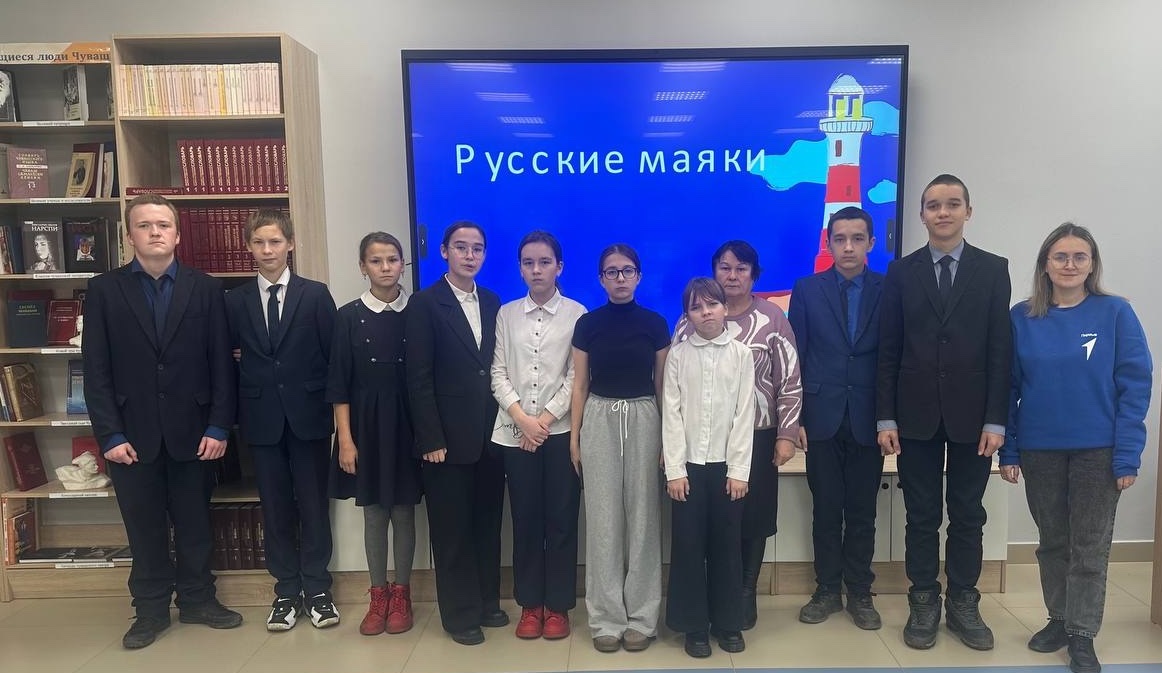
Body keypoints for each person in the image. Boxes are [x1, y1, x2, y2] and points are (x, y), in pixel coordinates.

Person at [82, 193, 240, 649]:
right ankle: (149, 612)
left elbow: (221, 364)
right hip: (130, 436)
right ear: (129, 235)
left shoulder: (206, 289)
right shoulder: (104, 290)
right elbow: (96, 369)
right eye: (145, 225)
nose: (155, 232)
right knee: (144, 528)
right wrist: (109, 434)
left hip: (195, 432)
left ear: (177, 234)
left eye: (163, 225)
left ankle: (198, 600)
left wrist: (218, 425)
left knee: (194, 525)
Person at [1000, 223, 1152, 673]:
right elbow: (1007, 388)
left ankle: (1082, 634)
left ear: (1092, 264)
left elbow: (1135, 386)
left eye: (1079, 257)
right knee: (1052, 542)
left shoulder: (1115, 313)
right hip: (1040, 449)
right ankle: (1059, 619)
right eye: (1060, 256)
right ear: (1045, 264)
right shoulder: (1021, 317)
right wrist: (1010, 450)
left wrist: (1127, 454)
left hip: (1098, 451)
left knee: (1089, 546)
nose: (1069, 264)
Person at [876, 173, 1012, 651]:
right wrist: (886, 417)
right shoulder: (901, 272)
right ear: (922, 214)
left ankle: (963, 602)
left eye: (953, 204)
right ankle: (923, 600)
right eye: (934, 205)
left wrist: (997, 418)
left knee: (968, 514)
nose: (943, 212)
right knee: (921, 515)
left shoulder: (993, 269)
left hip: (974, 418)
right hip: (914, 417)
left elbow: (1001, 349)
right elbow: (888, 349)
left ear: (968, 211)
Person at [673, 240, 802, 630]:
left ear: (753, 275)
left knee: (753, 518)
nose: (732, 276)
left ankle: (744, 592)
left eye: (741, 268)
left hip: (757, 437)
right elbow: (672, 388)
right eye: (725, 268)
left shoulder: (772, 318)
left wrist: (787, 434)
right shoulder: (688, 323)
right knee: (710, 522)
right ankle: (709, 599)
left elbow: (790, 380)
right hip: (700, 444)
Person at [225, 208, 338, 632]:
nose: (268, 249)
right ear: (248, 247)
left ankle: (319, 590)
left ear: (290, 244)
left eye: (275, 241)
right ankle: (286, 592)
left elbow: (332, 358)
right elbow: (225, 357)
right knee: (274, 508)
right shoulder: (234, 301)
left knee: (313, 506)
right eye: (259, 242)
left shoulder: (315, 295)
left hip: (309, 417)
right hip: (261, 419)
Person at [406, 221, 505, 646]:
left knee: (487, 525)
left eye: (477, 248)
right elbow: (417, 377)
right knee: (452, 532)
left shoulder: (493, 301)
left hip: (489, 437)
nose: (470, 255)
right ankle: (460, 615)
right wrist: (430, 438)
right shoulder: (425, 303)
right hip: (444, 442)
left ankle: (486, 602)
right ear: (444, 251)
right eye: (461, 247)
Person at [788, 206, 885, 629]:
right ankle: (827, 589)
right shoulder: (807, 289)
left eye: (857, 239)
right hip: (821, 416)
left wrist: (890, 418)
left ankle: (860, 592)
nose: (848, 247)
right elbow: (796, 356)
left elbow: (893, 356)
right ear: (828, 243)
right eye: (840, 239)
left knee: (863, 512)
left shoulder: (889, 289)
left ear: (871, 243)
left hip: (869, 418)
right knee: (826, 510)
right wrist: (796, 418)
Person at [570, 243, 669, 653]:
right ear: (601, 279)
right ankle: (606, 618)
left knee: (644, 520)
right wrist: (575, 437)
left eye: (628, 270)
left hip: (645, 418)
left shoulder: (655, 324)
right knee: (603, 521)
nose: (620, 278)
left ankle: (642, 617)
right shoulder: (587, 325)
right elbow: (580, 384)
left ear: (639, 276)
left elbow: (663, 386)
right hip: (599, 419)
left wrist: (668, 440)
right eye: (611, 272)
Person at [491, 230, 586, 641]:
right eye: (528, 263)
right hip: (515, 434)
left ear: (559, 267)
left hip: (560, 434)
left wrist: (543, 421)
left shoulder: (578, 314)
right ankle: (530, 605)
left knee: (561, 520)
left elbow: (576, 377)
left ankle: (559, 606)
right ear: (520, 268)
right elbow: (497, 372)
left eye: (545, 262)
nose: (536, 270)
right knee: (525, 520)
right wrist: (523, 420)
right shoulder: (506, 314)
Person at [327, 232, 422, 636]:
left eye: (393, 260)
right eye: (376, 261)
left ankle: (402, 594)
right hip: (364, 426)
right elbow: (339, 384)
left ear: (403, 264)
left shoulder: (418, 311)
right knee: (374, 513)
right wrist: (346, 440)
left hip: (408, 424)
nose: (386, 268)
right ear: (363, 267)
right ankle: (378, 594)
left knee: (403, 510)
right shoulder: (348, 316)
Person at [663, 277, 755, 658]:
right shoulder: (678, 355)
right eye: (696, 307)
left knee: (726, 546)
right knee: (688, 546)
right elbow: (671, 412)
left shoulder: (741, 354)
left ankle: (728, 622)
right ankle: (694, 626)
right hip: (687, 469)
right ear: (687, 315)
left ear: (725, 307)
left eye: (712, 304)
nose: (706, 313)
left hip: (726, 469)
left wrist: (739, 470)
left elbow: (744, 414)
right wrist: (674, 470)